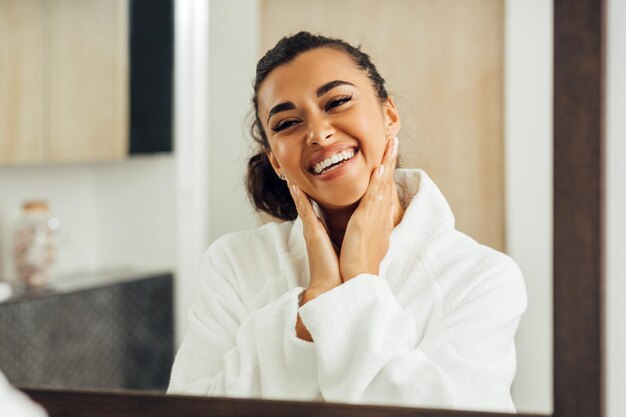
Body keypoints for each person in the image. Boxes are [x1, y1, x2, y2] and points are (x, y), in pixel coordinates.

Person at [168, 32, 527, 413]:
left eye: (337, 102)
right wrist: (314, 303)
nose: (318, 133)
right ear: (275, 159)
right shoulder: (234, 264)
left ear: (389, 116)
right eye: (287, 123)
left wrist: (358, 280)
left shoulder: (482, 277)